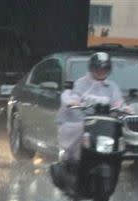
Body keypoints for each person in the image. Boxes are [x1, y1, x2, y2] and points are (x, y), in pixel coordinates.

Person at [52, 52, 127, 192]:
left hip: (104, 126)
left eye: (105, 69)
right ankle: (71, 161)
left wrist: (124, 108)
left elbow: (118, 101)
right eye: (98, 68)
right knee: (77, 132)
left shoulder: (112, 87)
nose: (101, 72)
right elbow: (72, 96)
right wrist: (73, 102)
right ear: (91, 68)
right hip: (84, 123)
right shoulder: (81, 83)